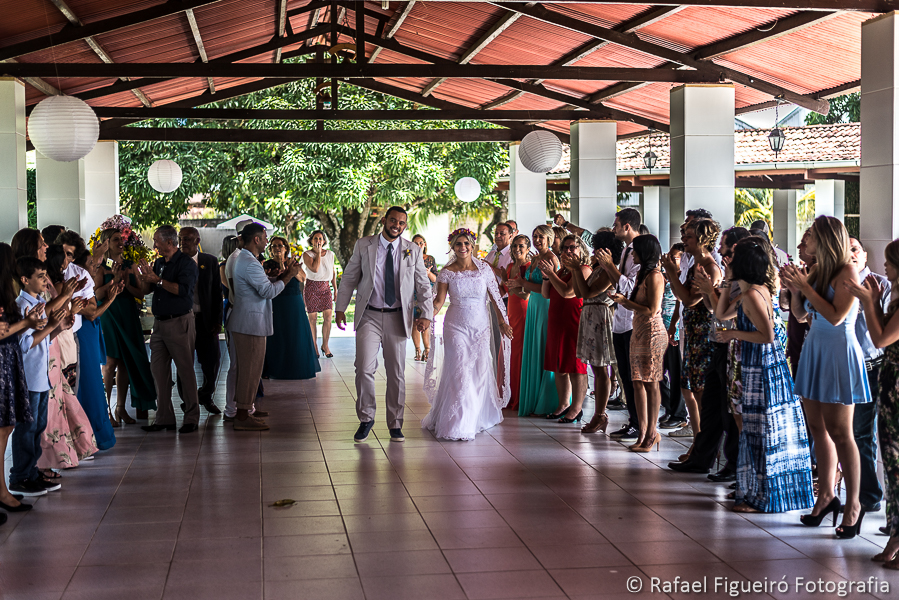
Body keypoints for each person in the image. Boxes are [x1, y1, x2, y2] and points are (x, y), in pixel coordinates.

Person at [782, 215, 870, 538]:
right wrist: (795, 290)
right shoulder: (818, 269)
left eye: (812, 237)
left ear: (826, 239)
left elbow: (835, 316)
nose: (807, 243)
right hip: (815, 347)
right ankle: (826, 496)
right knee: (817, 427)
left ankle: (854, 505)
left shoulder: (848, 270)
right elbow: (802, 314)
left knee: (841, 431)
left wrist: (805, 286)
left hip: (837, 351)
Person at [715, 237, 814, 513]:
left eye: (734, 259)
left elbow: (767, 335)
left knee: (761, 432)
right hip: (755, 367)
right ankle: (759, 494)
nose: (729, 261)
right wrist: (725, 281)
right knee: (757, 430)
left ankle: (761, 497)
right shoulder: (750, 291)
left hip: (761, 368)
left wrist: (734, 334)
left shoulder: (752, 295)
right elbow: (721, 313)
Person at [335, 206, 434, 443]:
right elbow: (349, 277)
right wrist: (340, 307)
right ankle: (366, 417)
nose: (396, 225)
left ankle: (395, 423)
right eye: (393, 220)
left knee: (397, 373)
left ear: (405, 226)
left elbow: (422, 284)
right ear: (384, 220)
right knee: (364, 368)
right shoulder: (364, 245)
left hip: (398, 316)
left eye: (401, 223)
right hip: (369, 315)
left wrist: (426, 314)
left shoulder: (412, 250)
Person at [668, 226, 749, 478]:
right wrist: (710, 288)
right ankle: (701, 457)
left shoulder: (739, 276)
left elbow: (718, 310)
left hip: (729, 343)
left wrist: (674, 274)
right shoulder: (727, 273)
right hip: (716, 339)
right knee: (712, 405)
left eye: (724, 244)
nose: (720, 249)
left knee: (726, 409)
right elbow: (709, 303)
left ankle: (731, 464)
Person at [422, 228, 512, 440]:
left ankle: (477, 416)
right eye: (458, 244)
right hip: (455, 326)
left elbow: (495, 297)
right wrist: (427, 316)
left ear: (472, 245)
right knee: (460, 371)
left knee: (479, 372)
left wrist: (502, 322)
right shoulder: (447, 272)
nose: (462, 248)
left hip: (480, 326)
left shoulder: (484, 269)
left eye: (466, 244)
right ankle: (459, 422)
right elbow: (439, 302)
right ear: (452, 247)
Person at [844, 238, 899, 567]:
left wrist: (868, 302)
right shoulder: (892, 293)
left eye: (890, 261)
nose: (884, 265)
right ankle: (894, 533)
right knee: (892, 466)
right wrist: (874, 301)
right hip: (890, 381)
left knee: (896, 465)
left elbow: (880, 339)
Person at [228, 223, 300, 431]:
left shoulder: (248, 259)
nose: (268, 241)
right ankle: (242, 415)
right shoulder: (249, 262)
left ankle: (247, 408)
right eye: (265, 237)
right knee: (249, 370)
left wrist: (279, 275)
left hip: (249, 323)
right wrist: (289, 275)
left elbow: (262, 284)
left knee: (252, 370)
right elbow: (268, 292)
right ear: (256, 239)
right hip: (249, 325)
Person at [38, 246, 101, 473]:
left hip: (58, 342)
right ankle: (48, 460)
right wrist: (67, 299)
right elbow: (43, 315)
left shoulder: (51, 282)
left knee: (64, 400)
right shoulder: (41, 284)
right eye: (40, 244)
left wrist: (69, 304)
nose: (44, 247)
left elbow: (64, 314)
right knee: (51, 406)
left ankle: (74, 449)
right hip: (50, 345)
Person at [661, 218, 722, 442]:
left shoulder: (710, 267)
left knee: (700, 390)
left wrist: (671, 274)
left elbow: (688, 299)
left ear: (702, 240)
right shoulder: (695, 263)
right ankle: (698, 440)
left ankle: (705, 443)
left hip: (704, 334)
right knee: (688, 387)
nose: (683, 239)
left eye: (688, 235)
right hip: (692, 333)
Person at [9, 256, 65, 497]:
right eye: (40, 277)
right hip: (28, 377)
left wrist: (57, 326)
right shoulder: (22, 307)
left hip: (40, 375)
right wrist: (51, 326)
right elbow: (24, 344)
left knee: (39, 425)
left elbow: (42, 340)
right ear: (24, 280)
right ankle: (20, 476)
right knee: (27, 428)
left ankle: (31, 472)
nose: (45, 280)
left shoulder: (39, 302)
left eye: (45, 275)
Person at [137, 225, 201, 434]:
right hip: (160, 324)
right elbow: (149, 289)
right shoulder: (158, 263)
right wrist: (144, 276)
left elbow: (183, 291)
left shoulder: (186, 264)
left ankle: (191, 417)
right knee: (158, 372)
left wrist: (158, 280)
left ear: (169, 242)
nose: (154, 245)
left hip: (179, 322)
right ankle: (164, 418)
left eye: (157, 241)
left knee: (185, 371)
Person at [609, 235, 667, 452]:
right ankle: (642, 431)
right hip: (638, 330)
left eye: (635, 251)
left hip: (652, 331)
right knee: (636, 382)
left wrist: (625, 302)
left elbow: (653, 309)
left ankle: (652, 432)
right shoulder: (643, 274)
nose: (632, 254)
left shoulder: (655, 276)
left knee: (651, 382)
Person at [0, 243, 45, 510]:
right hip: (3, 360)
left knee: (7, 427)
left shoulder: (7, 294)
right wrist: (27, 323)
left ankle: (3, 490)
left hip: (7, 360)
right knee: (7, 428)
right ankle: (9, 485)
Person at [847, 237, 890, 514]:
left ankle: (869, 495)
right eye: (846, 250)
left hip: (872, 366)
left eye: (855, 250)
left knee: (862, 433)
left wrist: (866, 303)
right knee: (845, 432)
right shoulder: (838, 282)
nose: (851, 255)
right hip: (845, 364)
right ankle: (857, 490)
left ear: (864, 255)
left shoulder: (879, 285)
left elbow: (883, 334)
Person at [98, 227, 157, 424]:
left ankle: (121, 408)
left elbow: (140, 294)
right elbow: (96, 295)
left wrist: (126, 284)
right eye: (115, 240)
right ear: (106, 243)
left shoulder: (130, 265)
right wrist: (113, 281)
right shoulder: (100, 267)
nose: (120, 243)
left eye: (121, 239)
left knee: (125, 362)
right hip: (109, 315)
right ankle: (105, 409)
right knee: (110, 362)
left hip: (129, 314)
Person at [595, 208, 642, 442]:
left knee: (634, 378)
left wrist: (609, 267)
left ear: (627, 226)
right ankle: (633, 421)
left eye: (616, 224)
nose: (613, 228)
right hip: (620, 319)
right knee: (624, 374)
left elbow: (631, 286)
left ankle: (640, 424)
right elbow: (619, 284)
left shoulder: (639, 252)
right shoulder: (625, 251)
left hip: (633, 321)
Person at [570, 230, 623, 434]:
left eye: (598, 247)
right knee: (595, 367)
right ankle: (599, 414)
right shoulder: (598, 268)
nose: (594, 251)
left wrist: (576, 269)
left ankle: (600, 414)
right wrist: (575, 270)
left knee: (601, 368)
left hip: (601, 315)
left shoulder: (611, 270)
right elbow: (577, 291)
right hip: (591, 313)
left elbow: (587, 292)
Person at [510, 225, 560, 416]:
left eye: (541, 237)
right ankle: (532, 399)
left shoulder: (552, 259)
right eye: (535, 236)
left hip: (546, 307)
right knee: (533, 350)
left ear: (549, 239)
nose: (538, 240)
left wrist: (523, 283)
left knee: (543, 350)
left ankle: (548, 401)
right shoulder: (535, 259)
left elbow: (550, 290)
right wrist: (518, 286)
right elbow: (529, 290)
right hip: (533, 307)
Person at [541, 234, 590, 422]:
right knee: (559, 365)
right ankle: (563, 404)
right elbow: (546, 294)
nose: (568, 251)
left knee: (575, 367)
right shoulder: (561, 271)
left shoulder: (583, 269)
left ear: (581, 250)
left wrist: (552, 274)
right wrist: (547, 277)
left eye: (572, 247)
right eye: (565, 248)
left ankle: (577, 408)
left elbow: (568, 292)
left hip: (574, 321)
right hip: (556, 320)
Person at [175, 227, 222, 415]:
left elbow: (217, 293)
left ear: (197, 240)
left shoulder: (209, 261)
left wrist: (217, 321)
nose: (183, 243)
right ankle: (188, 401)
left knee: (212, 361)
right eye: (180, 239)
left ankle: (205, 394)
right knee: (183, 363)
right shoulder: (174, 262)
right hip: (183, 320)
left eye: (187, 239)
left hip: (205, 319)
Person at [264, 238, 320, 380]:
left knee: (296, 333)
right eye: (274, 246)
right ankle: (277, 368)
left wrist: (291, 269)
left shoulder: (293, 263)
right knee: (278, 333)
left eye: (280, 246)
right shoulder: (267, 264)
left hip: (294, 301)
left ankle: (297, 366)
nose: (277, 248)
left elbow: (303, 278)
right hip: (277, 301)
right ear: (270, 249)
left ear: (286, 248)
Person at [502, 234, 531, 411]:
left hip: (523, 310)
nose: (517, 249)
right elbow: (504, 289)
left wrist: (513, 288)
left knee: (519, 352)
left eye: (521, 246)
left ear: (528, 249)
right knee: (509, 352)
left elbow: (526, 294)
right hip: (510, 311)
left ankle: (519, 396)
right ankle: (509, 394)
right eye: (514, 246)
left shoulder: (528, 267)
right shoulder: (510, 266)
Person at [659, 243, 685, 430]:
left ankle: (678, 413)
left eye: (675, 257)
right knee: (658, 373)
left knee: (675, 375)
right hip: (660, 329)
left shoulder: (681, 279)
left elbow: (679, 305)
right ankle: (670, 408)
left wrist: (673, 327)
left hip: (673, 331)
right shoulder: (665, 276)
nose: (671, 260)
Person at [303, 231, 337, 359]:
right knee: (313, 319)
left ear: (324, 241)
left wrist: (335, 289)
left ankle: (325, 345)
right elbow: (315, 269)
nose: (318, 241)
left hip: (325, 287)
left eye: (320, 239)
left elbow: (333, 271)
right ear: (311, 240)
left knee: (328, 317)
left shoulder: (330, 254)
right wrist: (317, 253)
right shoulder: (307, 254)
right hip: (312, 287)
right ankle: (315, 347)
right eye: (316, 238)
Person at [411, 234, 438, 362]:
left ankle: (427, 350)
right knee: (414, 322)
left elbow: (436, 279)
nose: (419, 245)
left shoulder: (430, 259)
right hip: (412, 294)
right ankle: (417, 349)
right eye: (416, 243)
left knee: (426, 320)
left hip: (427, 294)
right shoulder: (408, 258)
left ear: (425, 244)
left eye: (421, 243)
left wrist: (428, 273)